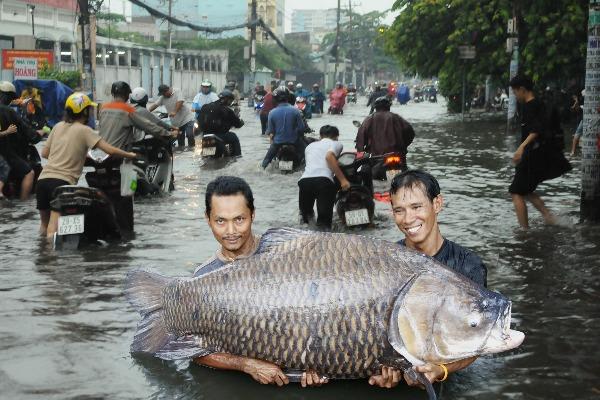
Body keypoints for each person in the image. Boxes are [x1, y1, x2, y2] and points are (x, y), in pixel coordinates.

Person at [192, 176, 327, 388]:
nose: (231, 231)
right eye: (220, 221)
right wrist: (247, 365)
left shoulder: (287, 254)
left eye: (239, 219)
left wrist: (321, 362)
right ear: (207, 219)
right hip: (241, 385)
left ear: (252, 215)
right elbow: (194, 350)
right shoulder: (203, 278)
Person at [368, 169, 486, 389]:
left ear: (437, 204)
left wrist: (442, 370)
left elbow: (478, 337)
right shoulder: (384, 263)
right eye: (399, 211)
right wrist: (379, 368)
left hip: (450, 377)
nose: (408, 219)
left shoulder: (468, 264)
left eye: (416, 207)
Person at [36, 92, 136, 237]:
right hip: (62, 184)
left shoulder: (57, 126)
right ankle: (52, 258)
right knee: (53, 228)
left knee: (44, 226)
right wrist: (130, 155)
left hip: (42, 181)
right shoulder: (85, 130)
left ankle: (42, 255)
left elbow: (45, 153)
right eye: (89, 109)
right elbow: (109, 150)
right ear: (83, 111)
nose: (90, 112)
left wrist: (69, 155)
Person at [98, 81, 170, 231]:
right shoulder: (127, 110)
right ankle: (127, 232)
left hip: (101, 158)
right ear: (126, 95)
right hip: (121, 159)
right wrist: (168, 134)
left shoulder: (103, 108)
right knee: (126, 197)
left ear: (112, 94)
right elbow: (149, 126)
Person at [508, 74, 571, 228]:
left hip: (531, 155)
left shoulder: (530, 106)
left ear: (522, 90)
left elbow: (536, 130)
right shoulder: (540, 104)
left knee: (516, 192)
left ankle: (524, 231)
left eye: (515, 92)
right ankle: (549, 217)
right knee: (527, 190)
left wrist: (520, 148)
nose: (516, 96)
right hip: (539, 154)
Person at [298, 125, 350, 229]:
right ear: (336, 136)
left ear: (320, 136)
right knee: (324, 222)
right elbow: (329, 157)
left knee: (306, 218)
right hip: (323, 182)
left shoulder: (310, 146)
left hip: (304, 182)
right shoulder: (336, 144)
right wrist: (343, 180)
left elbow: (316, 162)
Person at [0, 81, 41, 200]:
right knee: (29, 173)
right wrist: (36, 135)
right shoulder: (9, 112)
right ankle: (23, 203)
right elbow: (28, 132)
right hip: (8, 155)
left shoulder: (14, 111)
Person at [355, 96, 415, 162]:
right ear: (389, 106)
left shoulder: (369, 119)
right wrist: (403, 146)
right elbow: (410, 133)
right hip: (397, 155)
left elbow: (360, 139)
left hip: (375, 157)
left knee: (364, 171)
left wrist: (360, 156)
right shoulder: (397, 118)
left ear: (375, 107)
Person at [261, 87, 306, 169]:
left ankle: (262, 169)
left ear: (275, 99)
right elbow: (301, 128)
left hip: (278, 143)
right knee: (308, 155)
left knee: (266, 160)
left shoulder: (272, 112)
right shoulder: (296, 111)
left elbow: (270, 131)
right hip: (295, 141)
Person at [197, 90, 244, 156]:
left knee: (206, 161)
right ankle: (237, 157)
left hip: (205, 136)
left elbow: (198, 119)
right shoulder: (227, 110)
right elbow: (237, 123)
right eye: (230, 101)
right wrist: (241, 123)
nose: (230, 103)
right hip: (219, 136)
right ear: (227, 99)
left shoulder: (206, 107)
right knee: (234, 137)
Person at [569, 90, 584, 156]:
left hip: (584, 120)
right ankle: (573, 151)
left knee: (577, 135)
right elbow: (573, 109)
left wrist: (576, 101)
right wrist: (576, 101)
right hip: (583, 120)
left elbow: (574, 108)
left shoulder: (583, 103)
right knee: (576, 135)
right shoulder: (581, 104)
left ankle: (573, 151)